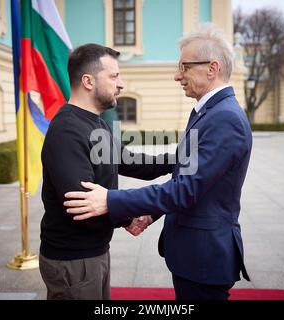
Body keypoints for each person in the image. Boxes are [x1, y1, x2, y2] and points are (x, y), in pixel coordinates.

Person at [63, 23, 252, 300]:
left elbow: (187, 189)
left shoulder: (224, 118)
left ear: (212, 68)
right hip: (194, 253)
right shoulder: (210, 111)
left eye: (184, 67)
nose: (178, 76)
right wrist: (153, 212)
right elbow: (185, 172)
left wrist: (111, 200)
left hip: (204, 256)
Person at [39, 43, 173, 300]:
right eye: (114, 76)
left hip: (93, 251)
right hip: (73, 258)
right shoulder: (68, 130)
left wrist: (181, 158)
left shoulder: (96, 123)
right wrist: (128, 217)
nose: (121, 84)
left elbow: (131, 161)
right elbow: (82, 203)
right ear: (88, 81)